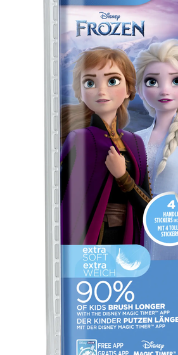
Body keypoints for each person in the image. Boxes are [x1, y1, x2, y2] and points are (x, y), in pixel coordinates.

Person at [60, 47, 151, 246]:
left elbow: (148, 209)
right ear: (80, 92)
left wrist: (123, 177)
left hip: (128, 238)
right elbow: (60, 197)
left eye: (112, 81)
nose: (101, 91)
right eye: (90, 83)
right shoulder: (79, 139)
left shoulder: (135, 143)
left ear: (128, 89)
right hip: (88, 239)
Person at [134, 39, 178, 259]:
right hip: (136, 246)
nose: (164, 89)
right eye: (152, 81)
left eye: (177, 80)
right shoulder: (134, 139)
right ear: (139, 89)